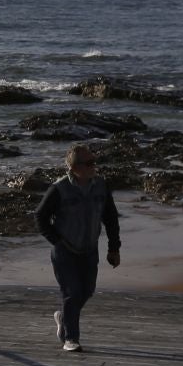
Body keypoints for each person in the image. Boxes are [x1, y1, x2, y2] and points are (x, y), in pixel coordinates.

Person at [34, 144, 120, 352]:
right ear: (74, 167)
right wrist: (57, 241)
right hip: (65, 251)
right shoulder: (59, 189)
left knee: (87, 291)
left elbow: (110, 217)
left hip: (89, 249)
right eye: (89, 163)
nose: (94, 166)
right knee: (72, 293)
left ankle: (64, 316)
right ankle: (70, 339)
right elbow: (40, 217)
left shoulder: (101, 185)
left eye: (94, 161)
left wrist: (113, 248)